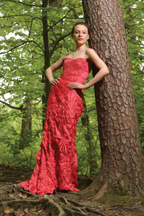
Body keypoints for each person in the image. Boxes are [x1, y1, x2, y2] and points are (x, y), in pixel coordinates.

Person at [19, 22, 109, 196]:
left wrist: (85, 85)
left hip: (72, 97)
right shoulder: (67, 54)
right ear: (72, 35)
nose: (80, 35)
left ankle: (65, 181)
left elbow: (104, 69)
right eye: (77, 32)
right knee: (52, 135)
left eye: (83, 32)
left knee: (66, 136)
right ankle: (52, 178)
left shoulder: (89, 52)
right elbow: (49, 69)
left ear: (88, 36)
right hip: (57, 95)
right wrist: (52, 79)